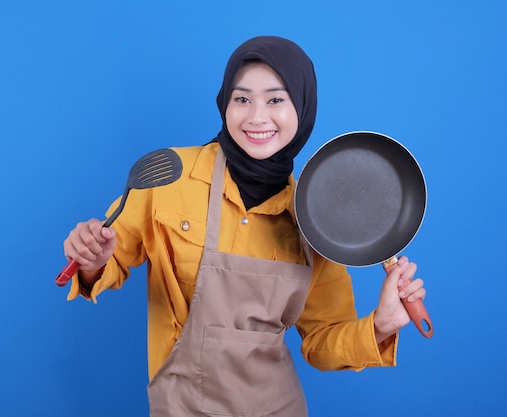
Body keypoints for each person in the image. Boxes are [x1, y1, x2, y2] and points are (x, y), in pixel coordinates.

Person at [62, 35, 427, 416]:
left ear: (302, 107)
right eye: (241, 99)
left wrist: (380, 325)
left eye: (275, 99)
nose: (256, 117)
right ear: (224, 103)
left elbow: (320, 341)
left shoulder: (316, 220)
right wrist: (90, 259)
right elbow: (106, 261)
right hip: (181, 406)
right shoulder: (168, 178)